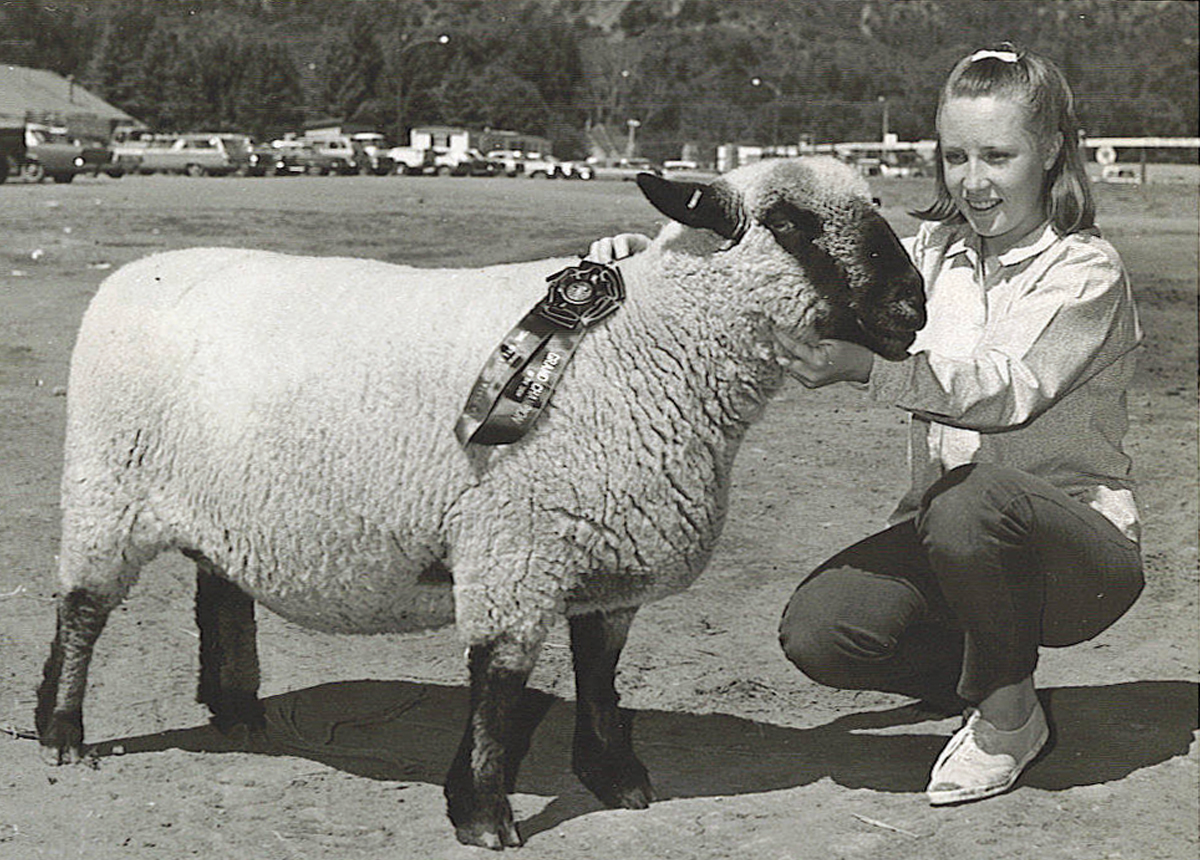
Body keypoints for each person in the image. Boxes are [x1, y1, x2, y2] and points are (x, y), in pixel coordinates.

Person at [586, 44, 1144, 806]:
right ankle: (985, 661)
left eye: (998, 155)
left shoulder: (1086, 271)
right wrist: (653, 261)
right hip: (956, 541)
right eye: (955, 156)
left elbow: (1008, 390)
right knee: (823, 632)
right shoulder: (939, 254)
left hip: (1075, 557)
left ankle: (1011, 720)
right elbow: (798, 260)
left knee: (969, 500)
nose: (973, 181)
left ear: (1049, 151)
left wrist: (869, 370)